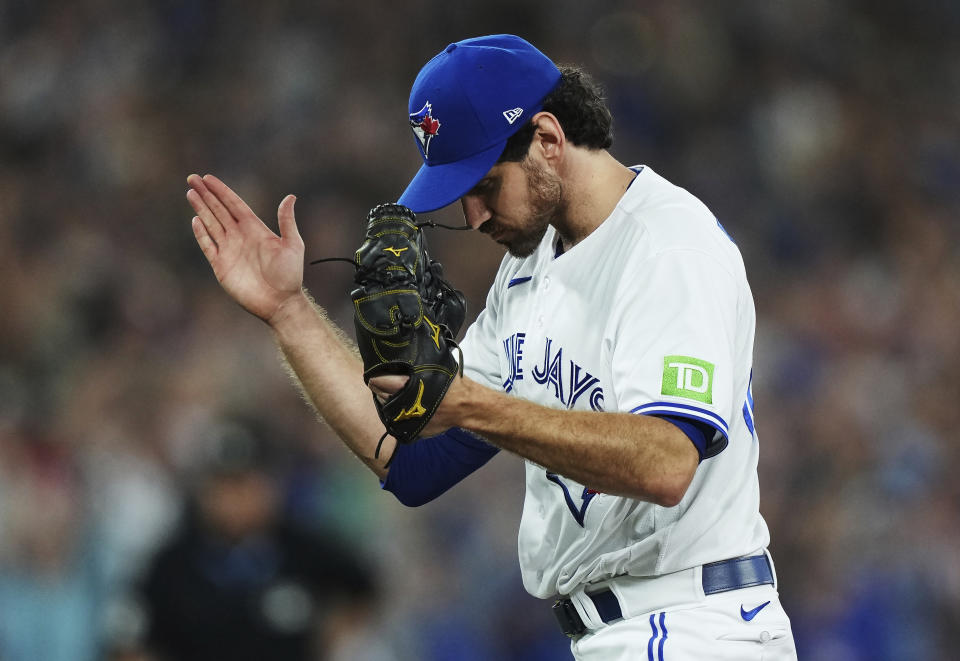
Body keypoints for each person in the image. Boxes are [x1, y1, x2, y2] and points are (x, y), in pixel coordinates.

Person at [186, 34, 798, 660]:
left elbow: (667, 464)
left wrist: (471, 404)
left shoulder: (668, 248)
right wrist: (289, 312)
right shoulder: (529, 270)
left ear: (549, 140)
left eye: (484, 183)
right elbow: (411, 460)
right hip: (623, 632)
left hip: (693, 621)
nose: (473, 215)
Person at [133, 419, 378, 661]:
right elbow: (137, 642)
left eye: (245, 484)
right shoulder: (172, 565)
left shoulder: (306, 550)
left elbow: (361, 590)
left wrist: (331, 643)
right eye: (223, 486)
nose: (235, 500)